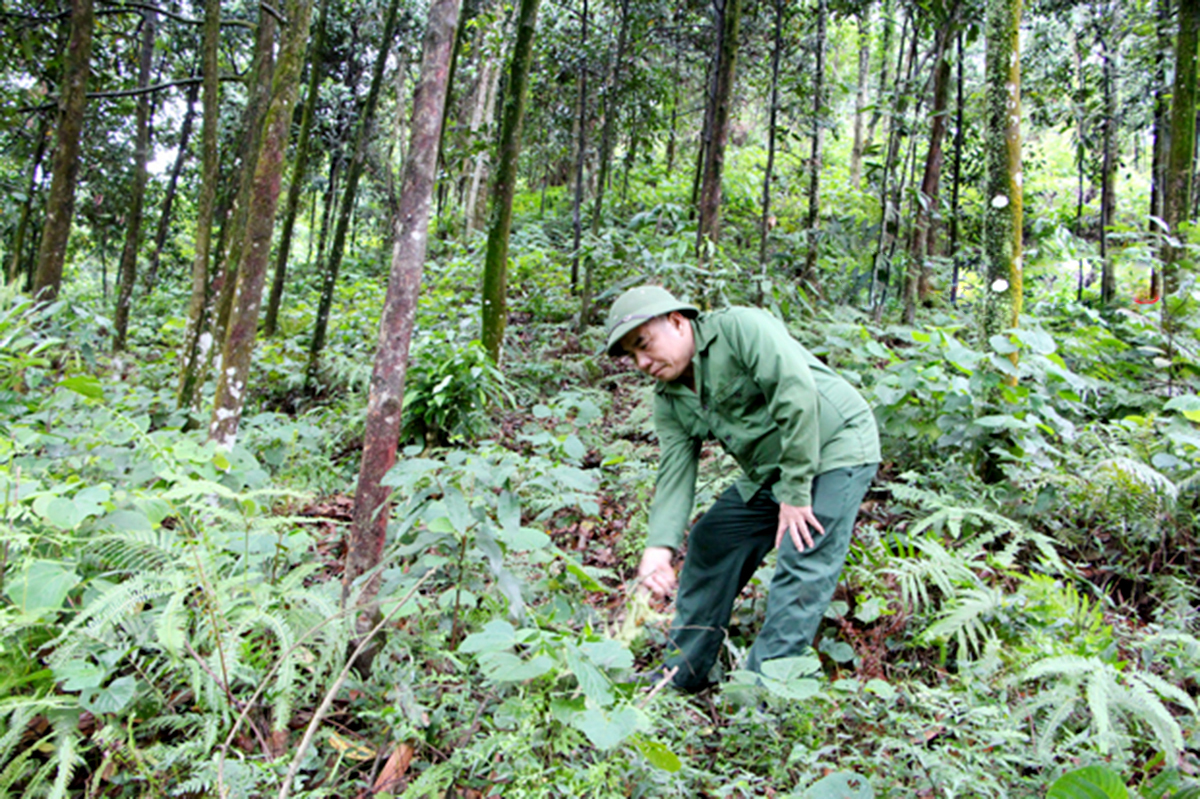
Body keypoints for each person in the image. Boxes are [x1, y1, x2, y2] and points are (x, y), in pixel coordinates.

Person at [604, 285, 880, 692]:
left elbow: (797, 395)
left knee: (801, 553)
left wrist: (796, 493)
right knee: (713, 540)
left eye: (644, 345)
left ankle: (761, 693)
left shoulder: (741, 329)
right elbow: (676, 472)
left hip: (835, 445)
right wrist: (657, 551)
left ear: (678, 321)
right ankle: (682, 672)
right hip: (773, 467)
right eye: (632, 356)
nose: (642, 362)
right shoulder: (669, 398)